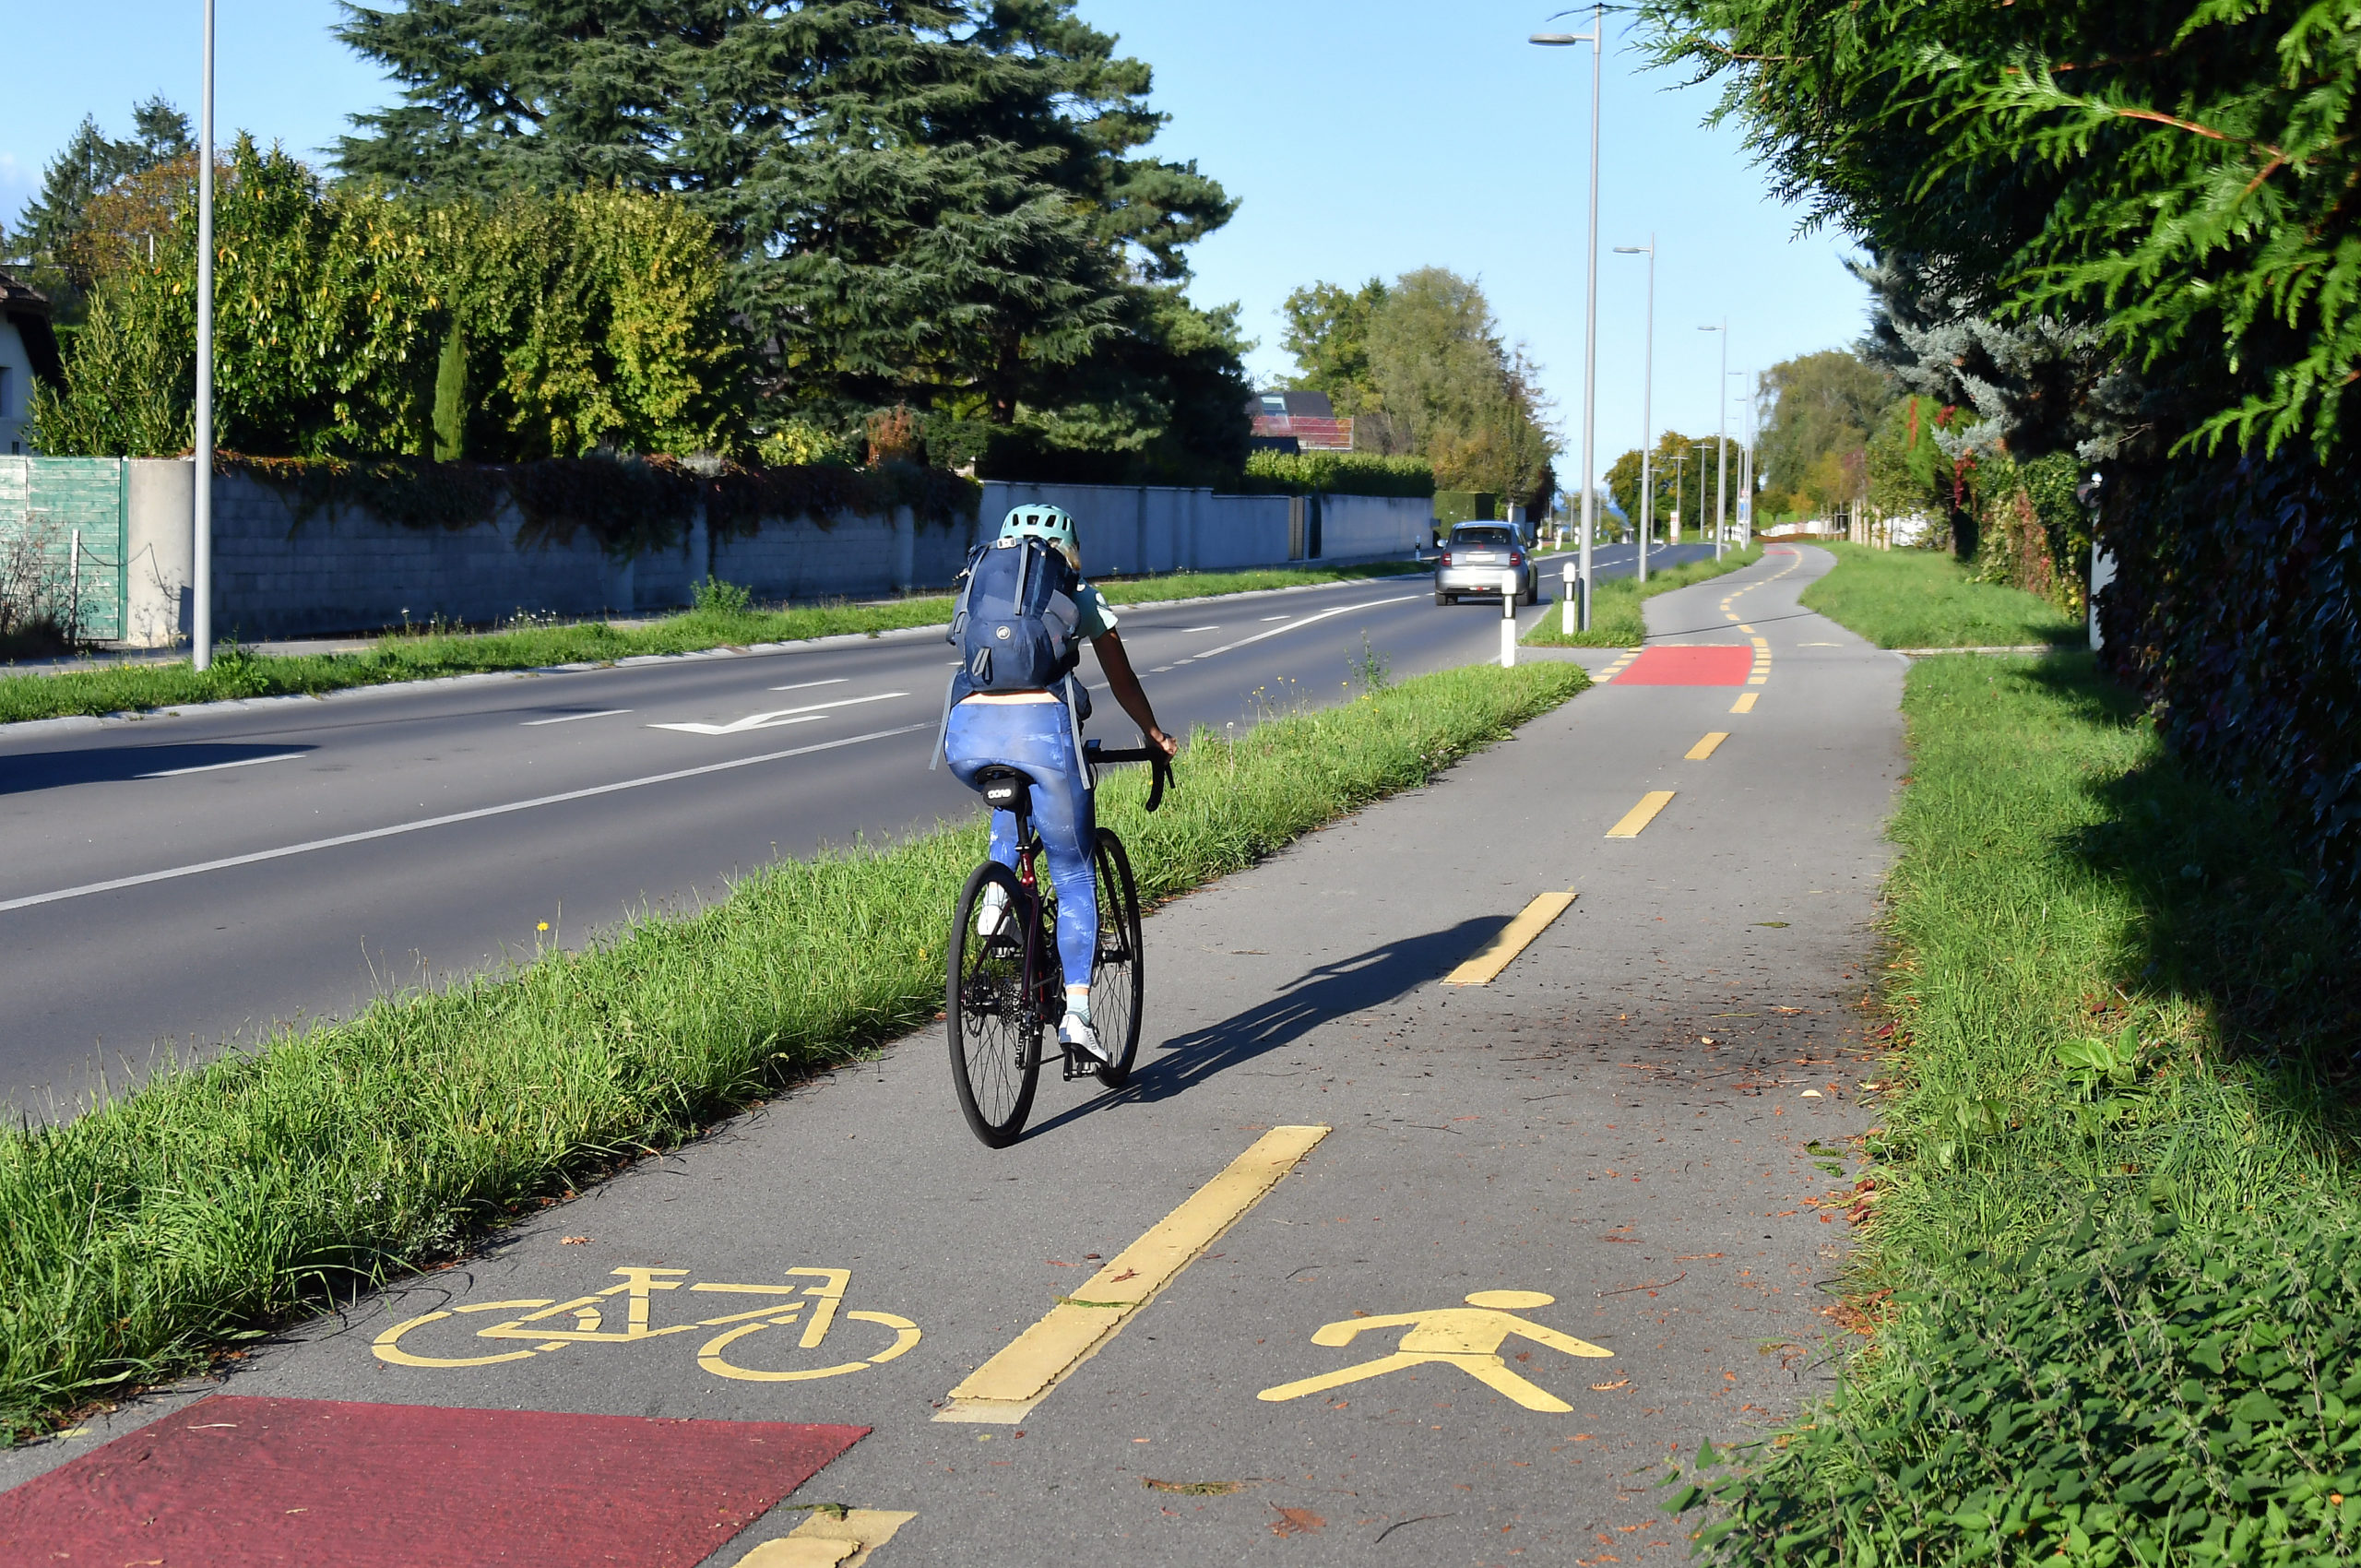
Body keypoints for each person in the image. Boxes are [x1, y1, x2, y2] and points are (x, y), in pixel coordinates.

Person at [940, 505, 1176, 1063]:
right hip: (1041, 737)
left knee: (1009, 792)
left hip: (966, 735)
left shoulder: (982, 583)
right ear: (1069, 552)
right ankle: (1078, 1016)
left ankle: (996, 899)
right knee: (1073, 873)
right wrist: (1153, 734)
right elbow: (1121, 677)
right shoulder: (1078, 593)